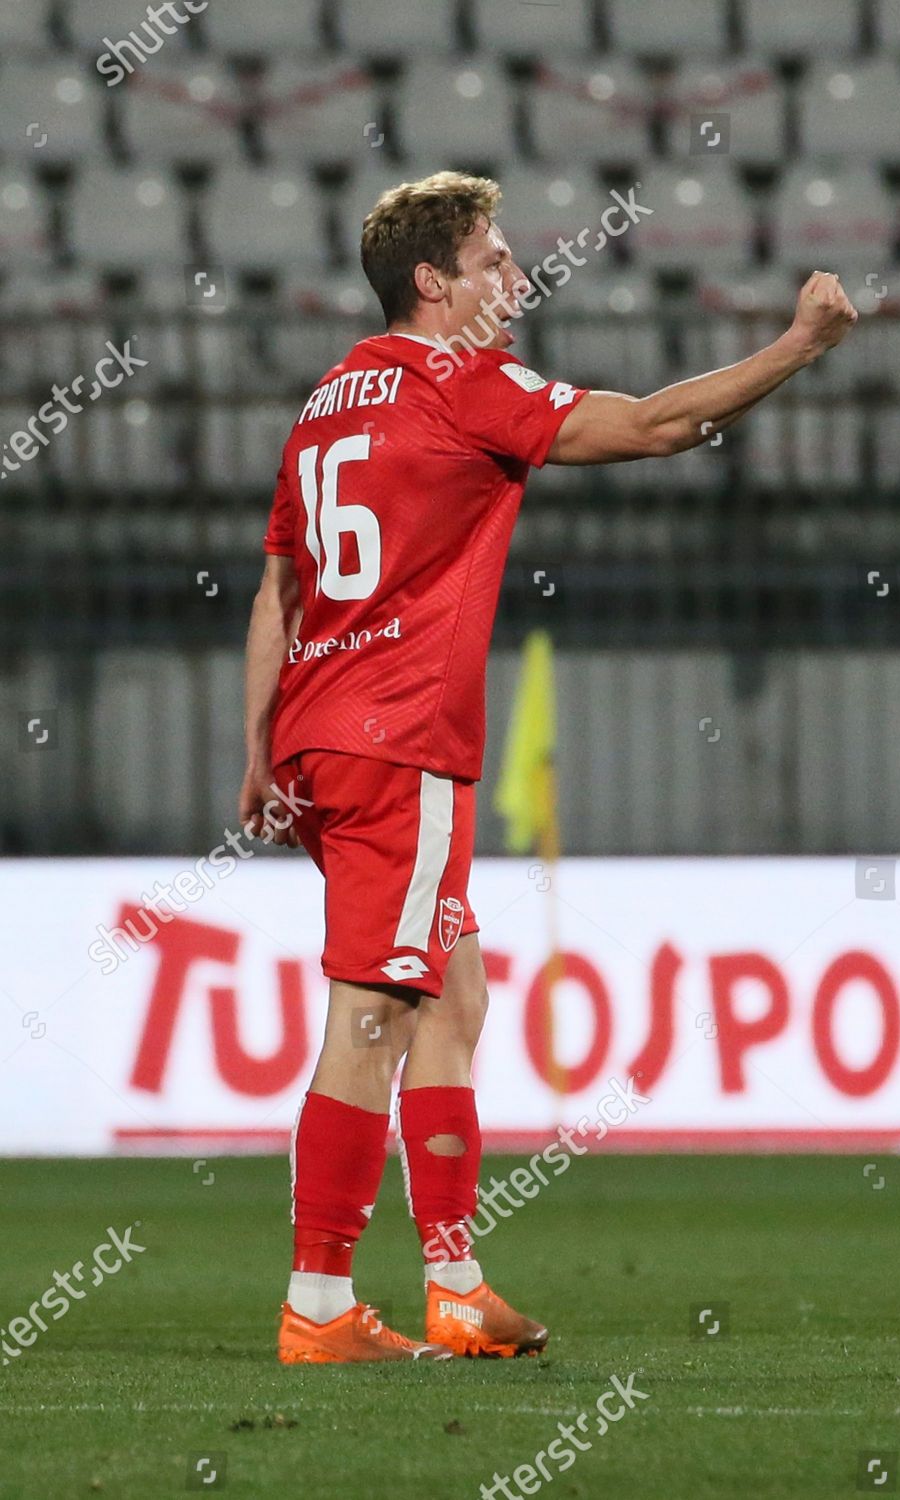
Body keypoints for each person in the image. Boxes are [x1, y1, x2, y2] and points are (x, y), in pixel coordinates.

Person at [239, 170, 858, 1364]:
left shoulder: (325, 400)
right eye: (493, 261)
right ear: (433, 283)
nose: (515, 278)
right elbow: (657, 426)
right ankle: (317, 1304)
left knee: (450, 996)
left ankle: (457, 1283)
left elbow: (276, 586)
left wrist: (257, 751)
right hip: (397, 739)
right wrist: (798, 343)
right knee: (372, 1014)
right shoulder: (462, 383)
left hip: (321, 737)